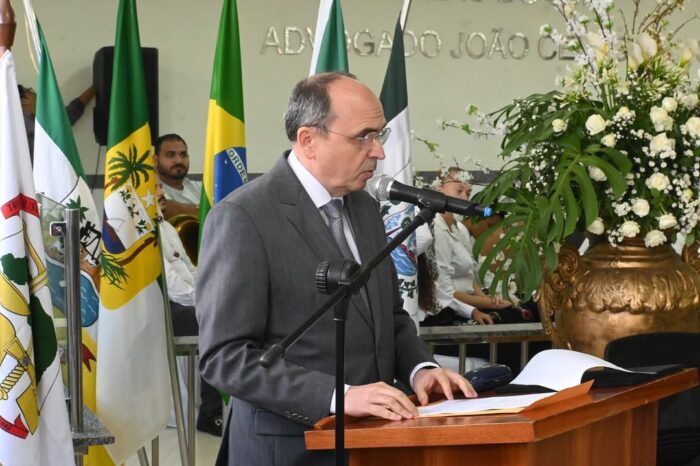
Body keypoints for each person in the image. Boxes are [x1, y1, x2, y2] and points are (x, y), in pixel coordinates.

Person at [196, 72, 476, 466]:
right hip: (289, 448)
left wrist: (420, 369)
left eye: (380, 135)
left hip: (372, 444)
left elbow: (390, 316)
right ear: (309, 140)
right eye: (364, 137)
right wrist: (337, 397)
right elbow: (225, 357)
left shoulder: (364, 207)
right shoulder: (244, 216)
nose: (379, 151)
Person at [156, 179, 223, 436]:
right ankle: (211, 412)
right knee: (214, 321)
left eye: (160, 187)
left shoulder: (166, 227)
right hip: (162, 308)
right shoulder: (142, 231)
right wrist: (206, 301)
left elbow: (191, 270)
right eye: (155, 188)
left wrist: (210, 293)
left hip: (186, 302)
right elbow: (172, 287)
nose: (162, 192)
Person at [18, 83, 94, 159]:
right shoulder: (27, 123)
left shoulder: (30, 121)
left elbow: (67, 116)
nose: (34, 92)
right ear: (23, 101)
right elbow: (63, 121)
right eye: (28, 90)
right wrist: (40, 109)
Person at [154, 133, 202, 220]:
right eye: (170, 155)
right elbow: (164, 210)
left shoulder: (200, 187)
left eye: (183, 155)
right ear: (155, 160)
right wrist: (204, 209)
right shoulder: (153, 190)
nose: (179, 161)